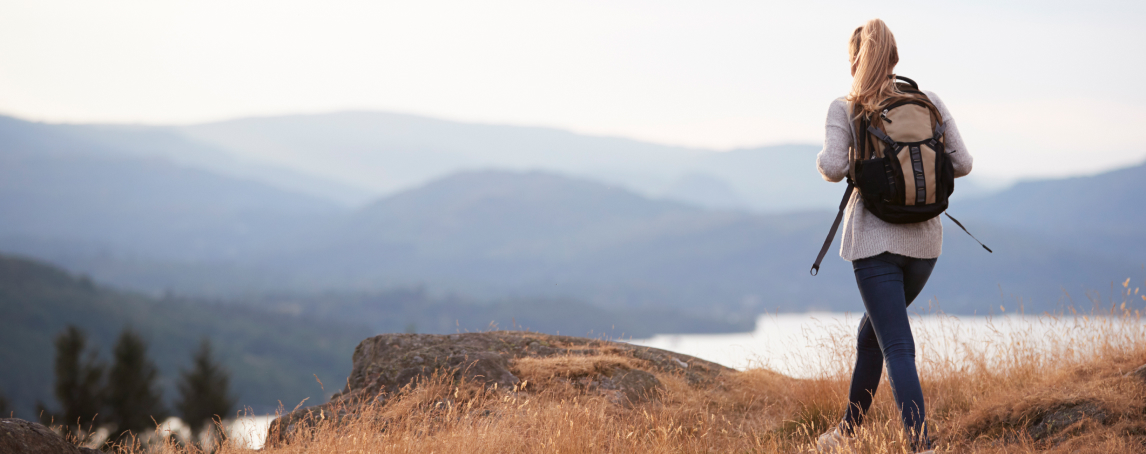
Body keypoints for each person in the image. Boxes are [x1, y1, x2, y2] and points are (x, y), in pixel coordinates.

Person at [813, 18, 973, 454]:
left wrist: (861, 163)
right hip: (924, 246)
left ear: (854, 62)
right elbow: (963, 164)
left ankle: (922, 446)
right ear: (895, 57)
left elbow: (830, 167)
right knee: (874, 335)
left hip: (874, 246)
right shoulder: (928, 101)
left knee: (896, 344)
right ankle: (845, 434)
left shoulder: (846, 107)